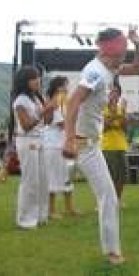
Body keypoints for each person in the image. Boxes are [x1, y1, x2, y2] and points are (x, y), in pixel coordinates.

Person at [62, 27, 139, 265]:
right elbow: (73, 101)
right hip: (83, 144)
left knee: (108, 196)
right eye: (123, 53)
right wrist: (69, 138)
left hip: (91, 143)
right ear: (112, 51)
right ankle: (112, 254)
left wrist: (138, 44)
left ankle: (112, 251)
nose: (124, 59)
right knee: (108, 196)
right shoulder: (95, 72)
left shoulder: (111, 68)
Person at [13, 66, 55, 229]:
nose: (37, 81)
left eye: (38, 77)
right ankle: (25, 220)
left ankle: (40, 216)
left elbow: (48, 121)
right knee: (31, 181)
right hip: (27, 140)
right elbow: (26, 125)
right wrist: (43, 112)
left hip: (40, 139)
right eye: (33, 78)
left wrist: (50, 109)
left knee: (43, 180)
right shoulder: (20, 100)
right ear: (25, 81)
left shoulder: (37, 98)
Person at [44, 76, 78, 219]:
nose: (67, 88)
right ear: (58, 87)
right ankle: (51, 210)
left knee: (67, 176)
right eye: (65, 85)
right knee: (52, 177)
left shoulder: (64, 100)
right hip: (52, 145)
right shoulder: (53, 101)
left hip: (63, 143)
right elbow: (59, 123)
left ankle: (69, 208)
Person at [101, 76, 128, 203]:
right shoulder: (102, 108)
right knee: (108, 176)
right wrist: (114, 115)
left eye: (116, 92)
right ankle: (106, 200)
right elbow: (104, 127)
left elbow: (124, 127)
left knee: (121, 176)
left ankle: (117, 199)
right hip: (107, 146)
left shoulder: (121, 108)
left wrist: (122, 113)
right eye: (111, 92)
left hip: (121, 145)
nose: (114, 94)